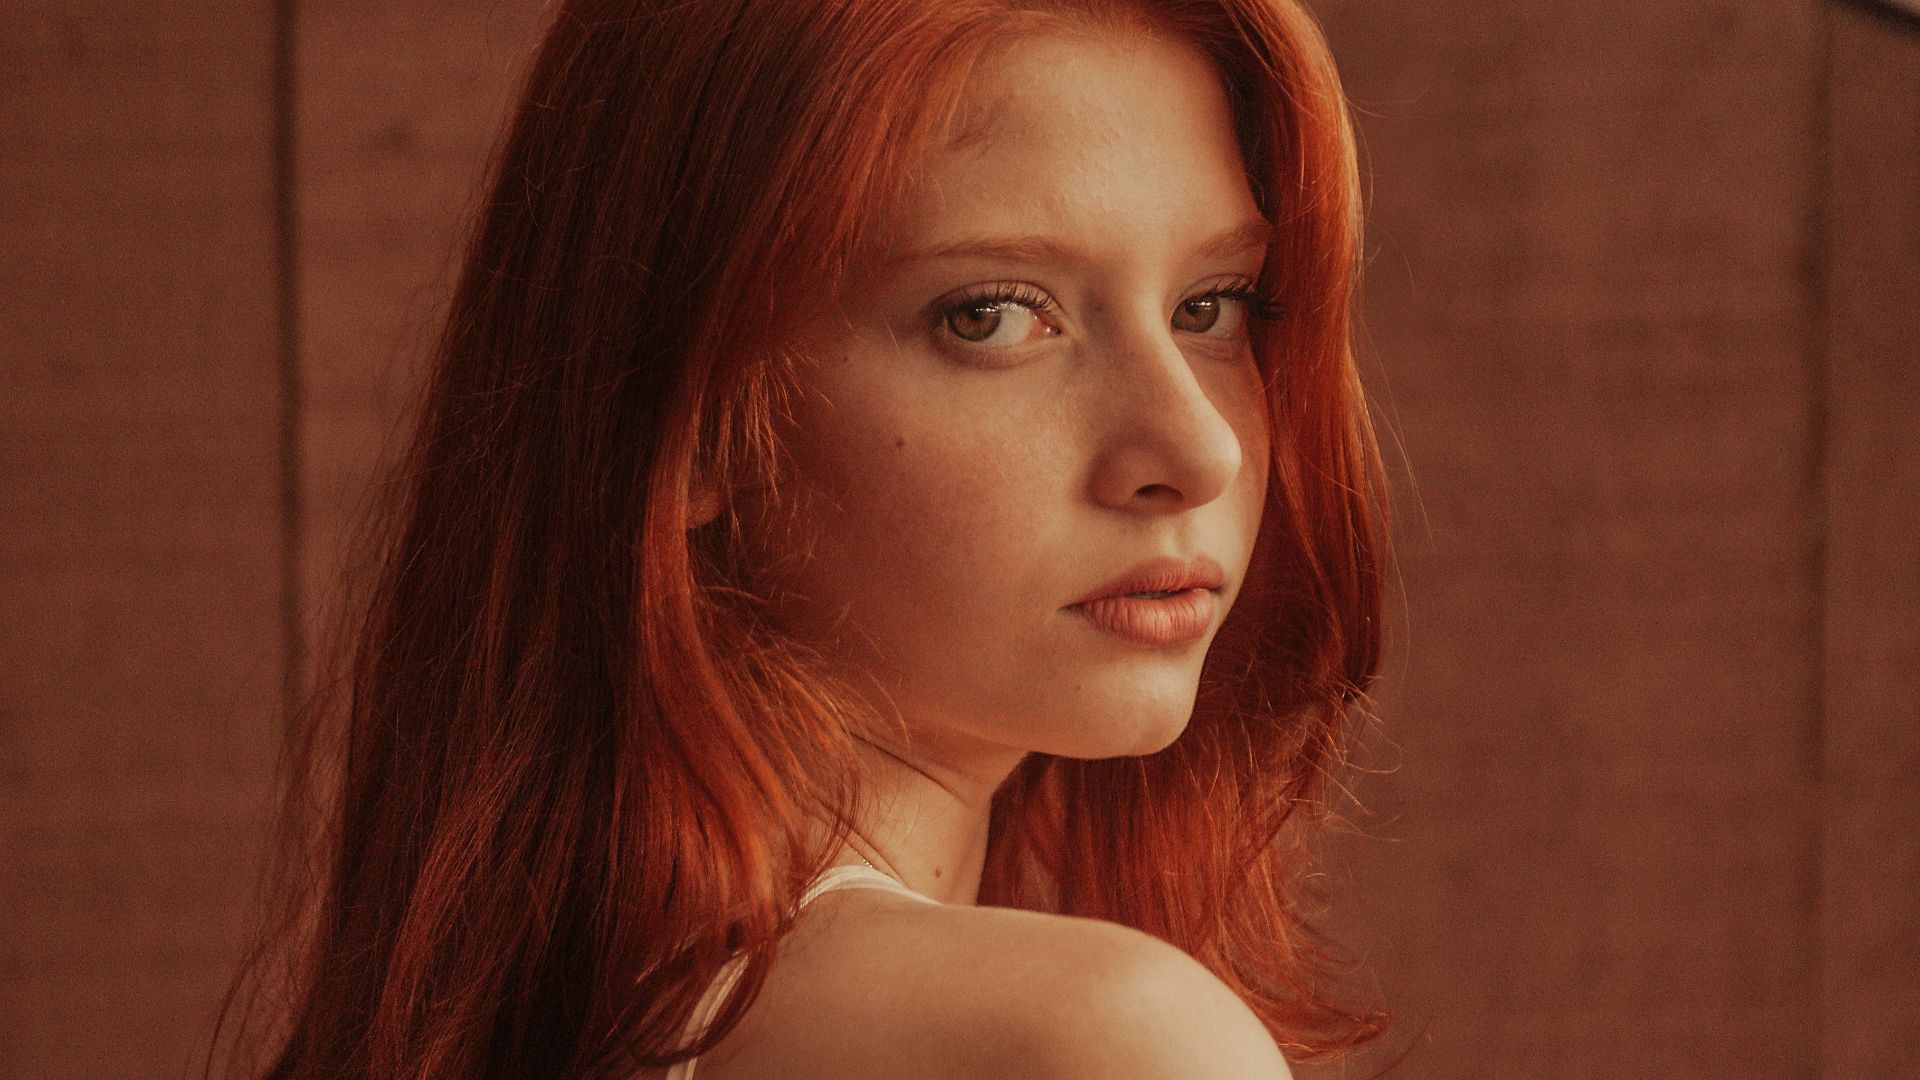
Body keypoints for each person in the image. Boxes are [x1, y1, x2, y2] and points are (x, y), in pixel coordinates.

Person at [218, 1, 1389, 1077]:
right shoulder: (1099, 1041)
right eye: (990, 315)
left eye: (1213, 307)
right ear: (691, 428)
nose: (1199, 450)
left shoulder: (540, 1017)